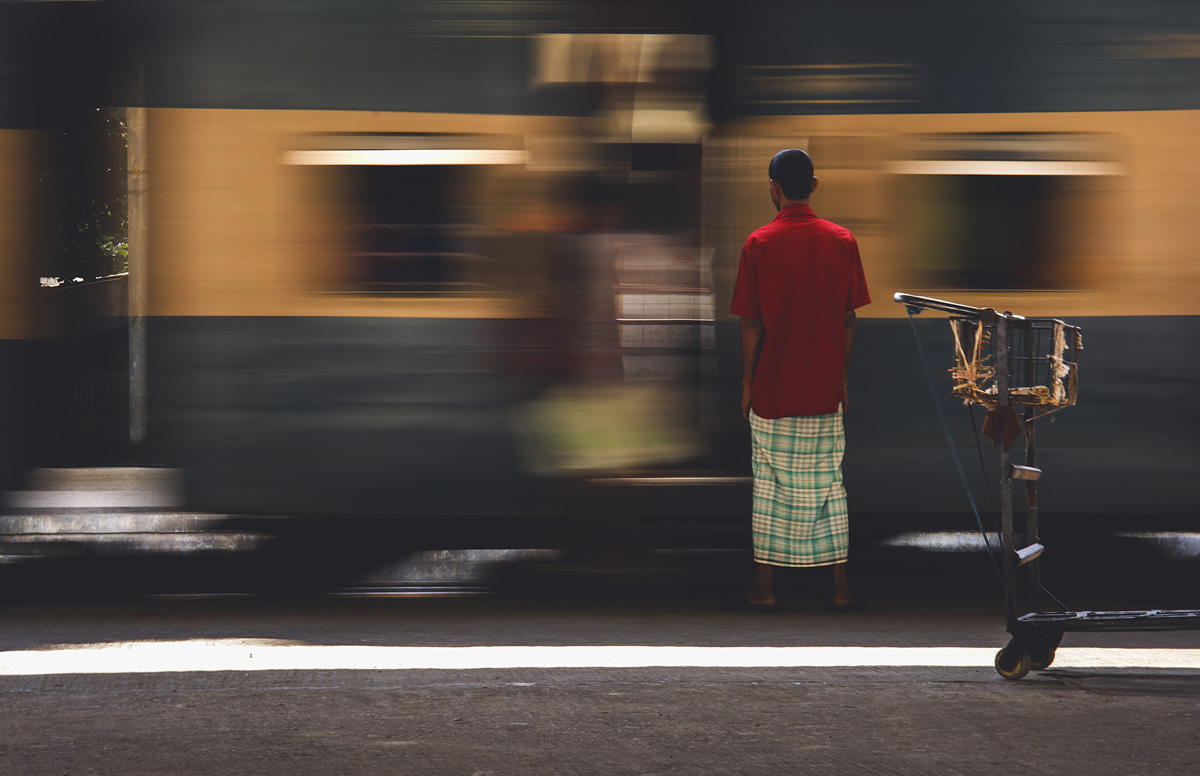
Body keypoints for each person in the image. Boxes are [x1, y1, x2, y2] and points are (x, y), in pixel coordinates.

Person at [727, 148, 871, 612]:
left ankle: (767, 591)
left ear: (774, 188)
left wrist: (748, 384)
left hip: (772, 390)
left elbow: (751, 324)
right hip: (825, 391)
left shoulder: (758, 244)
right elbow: (848, 317)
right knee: (831, 487)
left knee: (768, 489)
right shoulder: (842, 241)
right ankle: (840, 589)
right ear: (814, 185)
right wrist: (844, 378)